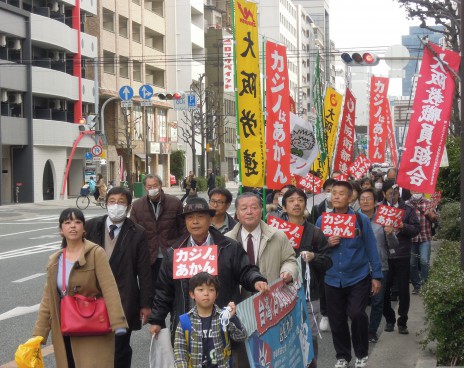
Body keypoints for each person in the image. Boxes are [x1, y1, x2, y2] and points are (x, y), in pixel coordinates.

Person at [148, 197, 268, 368]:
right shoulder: (174, 252)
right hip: (189, 327)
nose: (195, 222)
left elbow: (245, 270)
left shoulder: (228, 247)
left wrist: (256, 280)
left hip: (221, 326)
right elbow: (163, 291)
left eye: (200, 216)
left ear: (210, 219)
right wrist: (157, 320)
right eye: (189, 217)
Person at [33, 208, 128, 368]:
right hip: (65, 328)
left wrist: (118, 322)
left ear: (84, 229)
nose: (73, 226)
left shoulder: (96, 253)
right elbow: (48, 299)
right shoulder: (55, 260)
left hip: (92, 326)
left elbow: (109, 288)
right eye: (67, 222)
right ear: (61, 230)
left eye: (77, 222)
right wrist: (39, 334)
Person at [315, 181, 382, 368]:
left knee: (357, 313)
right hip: (331, 277)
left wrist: (376, 276)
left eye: (341, 193)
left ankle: (361, 353)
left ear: (351, 196)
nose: (336, 196)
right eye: (333, 193)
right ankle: (343, 356)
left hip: (358, 276)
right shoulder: (322, 221)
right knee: (337, 319)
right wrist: (327, 243)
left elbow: (371, 249)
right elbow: (317, 249)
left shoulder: (361, 220)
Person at [85, 187, 153, 368]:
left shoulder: (137, 232)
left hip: (124, 298)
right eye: (112, 201)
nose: (116, 206)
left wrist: (146, 304)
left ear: (129, 207)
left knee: (120, 348)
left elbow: (144, 271)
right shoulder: (91, 226)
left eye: (121, 202)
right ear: (106, 204)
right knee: (93, 347)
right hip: (92, 299)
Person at [281, 187, 333, 368]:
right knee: (284, 337)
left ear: (305, 204)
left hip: (310, 293)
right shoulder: (275, 231)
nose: (296, 203)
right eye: (291, 200)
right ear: (284, 207)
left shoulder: (315, 232)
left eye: (300, 200)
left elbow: (328, 261)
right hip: (282, 293)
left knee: (308, 335)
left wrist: (314, 257)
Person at [174, 272, 246, 368]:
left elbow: (241, 336)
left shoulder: (223, 317)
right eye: (201, 289)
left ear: (216, 294)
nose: (206, 293)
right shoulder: (184, 322)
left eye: (211, 290)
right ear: (192, 294)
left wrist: (231, 317)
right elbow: (180, 352)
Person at [226, 192, 298, 285]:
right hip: (239, 298)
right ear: (237, 214)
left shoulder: (278, 236)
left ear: (261, 211)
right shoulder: (227, 240)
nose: (249, 212)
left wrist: (287, 271)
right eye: (244, 208)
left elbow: (289, 260)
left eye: (254, 208)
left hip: (269, 294)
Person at [130, 174, 187, 292]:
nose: (152, 189)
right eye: (149, 186)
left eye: (155, 186)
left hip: (171, 255)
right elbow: (133, 232)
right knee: (151, 291)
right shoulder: (137, 206)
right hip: (149, 257)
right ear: (145, 187)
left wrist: (180, 251)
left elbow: (183, 229)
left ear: (160, 185)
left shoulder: (174, 203)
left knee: (173, 291)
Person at [358, 188, 399, 343]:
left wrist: (390, 233)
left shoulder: (383, 221)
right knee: (359, 303)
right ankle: (360, 330)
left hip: (380, 266)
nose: (365, 201)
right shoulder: (353, 220)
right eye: (362, 198)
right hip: (359, 267)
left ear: (376, 202)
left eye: (369, 198)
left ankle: (371, 331)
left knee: (378, 301)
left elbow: (394, 245)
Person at [381, 180, 420, 335]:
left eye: (395, 193)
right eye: (390, 193)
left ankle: (402, 321)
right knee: (383, 290)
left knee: (404, 290)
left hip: (403, 254)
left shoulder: (408, 210)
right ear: (384, 194)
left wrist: (403, 226)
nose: (393, 196)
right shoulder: (380, 209)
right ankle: (389, 319)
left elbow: (416, 229)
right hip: (384, 256)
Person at [309, 177, 336, 332]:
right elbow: (314, 231)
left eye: (334, 191)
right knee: (324, 285)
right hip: (322, 253)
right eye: (328, 191)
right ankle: (325, 313)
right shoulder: (317, 209)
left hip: (339, 256)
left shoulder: (346, 213)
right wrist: (325, 243)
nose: (331, 194)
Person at [406, 190, 438, 294]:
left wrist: (432, 215)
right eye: (414, 190)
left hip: (425, 236)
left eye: (418, 190)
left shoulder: (428, 203)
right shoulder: (406, 204)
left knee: (424, 261)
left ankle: (424, 284)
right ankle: (416, 285)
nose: (416, 192)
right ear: (410, 191)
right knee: (412, 264)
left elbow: (435, 219)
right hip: (411, 238)